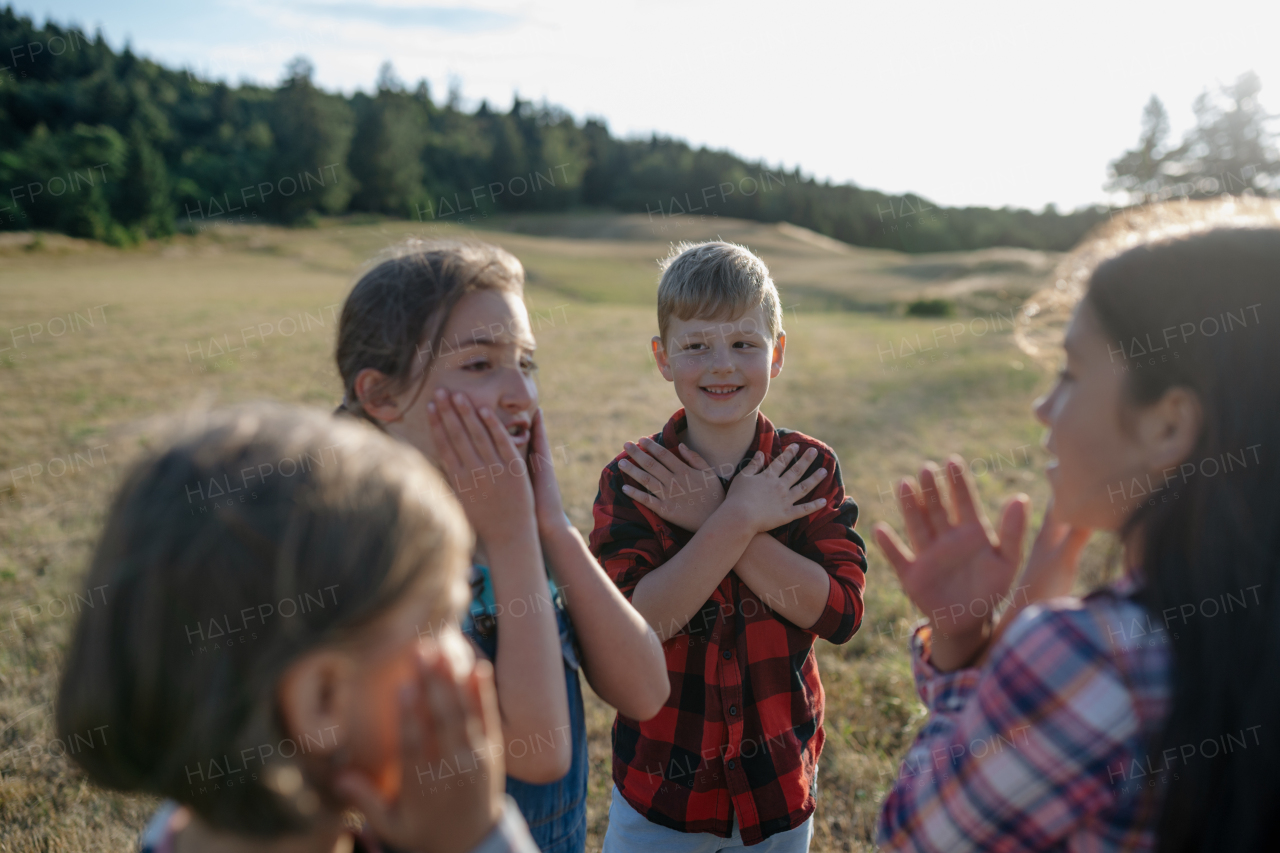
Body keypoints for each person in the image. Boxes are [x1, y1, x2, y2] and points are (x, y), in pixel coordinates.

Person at [873, 200, 1280, 851]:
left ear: (1168, 424)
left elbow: (908, 836)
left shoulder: (1091, 659)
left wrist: (1003, 645)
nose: (1042, 408)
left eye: (1070, 372)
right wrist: (965, 640)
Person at [56, 403, 539, 853]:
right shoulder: (454, 839)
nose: (471, 659)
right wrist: (476, 841)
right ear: (322, 700)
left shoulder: (187, 824)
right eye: (442, 622)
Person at [334, 239, 669, 853]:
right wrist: (514, 535)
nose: (522, 394)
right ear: (381, 396)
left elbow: (646, 691)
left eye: (526, 363)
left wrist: (550, 526)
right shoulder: (380, 567)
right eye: (480, 364)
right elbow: (539, 754)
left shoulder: (519, 528)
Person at [589, 241, 869, 851]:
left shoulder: (806, 468)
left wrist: (718, 516)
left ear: (779, 353)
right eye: (696, 345)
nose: (722, 365)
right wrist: (736, 518)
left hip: (777, 784)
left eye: (745, 343)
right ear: (663, 358)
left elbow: (839, 611)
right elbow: (636, 624)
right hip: (662, 786)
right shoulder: (635, 477)